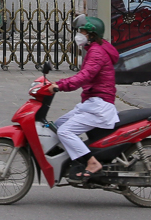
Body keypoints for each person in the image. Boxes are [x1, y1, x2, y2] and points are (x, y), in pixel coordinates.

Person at [52, 15, 121, 181]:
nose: (79, 34)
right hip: (92, 102)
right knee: (57, 126)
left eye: (82, 31)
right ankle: (74, 160)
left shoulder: (97, 52)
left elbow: (84, 76)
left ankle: (92, 163)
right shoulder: (96, 49)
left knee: (64, 131)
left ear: (91, 34)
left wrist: (59, 85)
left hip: (99, 105)